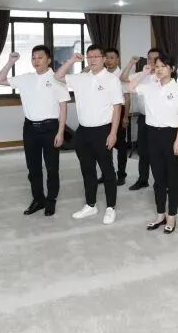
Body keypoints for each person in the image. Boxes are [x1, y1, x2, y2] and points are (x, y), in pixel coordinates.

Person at [0, 46, 69, 216]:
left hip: (50, 128)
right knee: (33, 168)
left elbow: (63, 107)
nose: (36, 61)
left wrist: (60, 132)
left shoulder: (57, 79)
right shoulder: (26, 78)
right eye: (33, 58)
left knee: (52, 168)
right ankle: (38, 199)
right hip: (30, 129)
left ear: (48, 60)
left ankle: (51, 200)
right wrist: (10, 62)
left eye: (40, 57)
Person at [56, 46, 124, 224]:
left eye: (96, 56)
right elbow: (58, 76)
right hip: (83, 131)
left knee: (107, 171)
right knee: (87, 170)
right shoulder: (81, 78)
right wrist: (72, 60)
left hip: (103, 131)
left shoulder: (112, 80)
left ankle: (110, 207)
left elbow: (117, 108)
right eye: (89, 56)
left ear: (103, 59)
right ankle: (90, 205)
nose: (92, 59)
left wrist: (113, 133)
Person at [128, 53, 178, 233]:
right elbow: (130, 87)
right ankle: (160, 214)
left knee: (172, 178)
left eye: (163, 66)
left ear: (172, 69)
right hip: (152, 134)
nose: (159, 69)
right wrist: (144, 73)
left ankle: (172, 215)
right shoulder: (150, 86)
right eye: (157, 66)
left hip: (171, 135)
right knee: (158, 178)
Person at [123, 49, 161, 191]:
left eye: (155, 58)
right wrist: (131, 63)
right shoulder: (142, 74)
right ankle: (143, 179)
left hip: (159, 119)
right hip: (144, 118)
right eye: (149, 58)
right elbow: (123, 78)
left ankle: (160, 182)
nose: (152, 61)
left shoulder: (163, 75)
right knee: (143, 151)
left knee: (158, 153)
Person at [102, 48, 130, 186]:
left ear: (117, 59)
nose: (109, 61)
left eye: (112, 58)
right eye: (106, 58)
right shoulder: (102, 74)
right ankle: (106, 174)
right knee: (104, 145)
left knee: (120, 146)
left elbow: (127, 98)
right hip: (104, 112)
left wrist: (125, 117)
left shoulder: (122, 75)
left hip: (119, 111)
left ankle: (121, 174)